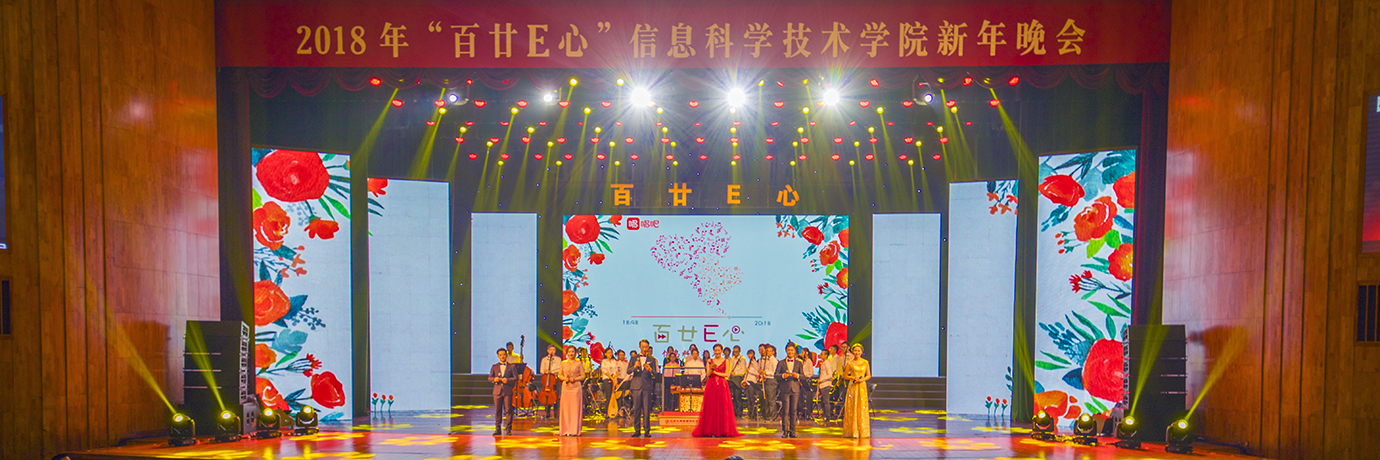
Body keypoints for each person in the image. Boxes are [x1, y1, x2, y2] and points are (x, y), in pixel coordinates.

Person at [692, 344, 741, 437]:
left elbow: (727, 374)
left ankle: (723, 429)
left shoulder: (726, 361)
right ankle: (710, 430)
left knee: (722, 406)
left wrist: (716, 372)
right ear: (713, 351)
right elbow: (708, 374)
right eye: (715, 350)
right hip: (711, 385)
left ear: (722, 351)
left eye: (719, 350)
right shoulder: (709, 361)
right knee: (711, 407)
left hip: (722, 385)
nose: (717, 352)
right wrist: (711, 368)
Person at [629, 339, 659, 437]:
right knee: (637, 409)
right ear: (639, 347)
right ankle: (637, 430)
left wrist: (650, 370)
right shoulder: (634, 358)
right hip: (637, 386)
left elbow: (656, 374)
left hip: (647, 386)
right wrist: (634, 366)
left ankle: (647, 430)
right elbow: (628, 371)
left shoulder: (652, 359)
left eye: (646, 347)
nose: (645, 349)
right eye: (643, 347)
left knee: (646, 409)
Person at [841, 343, 873, 439]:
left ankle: (862, 431)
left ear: (861, 352)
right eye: (855, 350)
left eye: (859, 351)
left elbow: (869, 375)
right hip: (853, 386)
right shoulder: (850, 363)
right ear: (853, 351)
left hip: (861, 386)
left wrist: (861, 380)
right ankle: (852, 430)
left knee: (861, 406)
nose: (857, 352)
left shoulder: (865, 362)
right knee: (852, 406)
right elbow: (845, 376)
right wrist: (853, 378)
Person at [775, 343, 806, 438]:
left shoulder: (799, 363)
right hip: (785, 388)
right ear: (786, 351)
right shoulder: (781, 362)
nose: (790, 352)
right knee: (785, 411)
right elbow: (776, 375)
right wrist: (783, 375)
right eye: (789, 350)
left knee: (794, 411)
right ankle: (785, 431)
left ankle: (793, 431)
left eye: (792, 350)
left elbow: (803, 376)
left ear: (795, 351)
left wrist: (798, 376)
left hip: (795, 389)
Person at [488, 347, 519, 435]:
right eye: (500, 355)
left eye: (504, 355)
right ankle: (497, 429)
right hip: (497, 391)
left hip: (507, 391)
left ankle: (508, 429)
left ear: (506, 355)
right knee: (498, 411)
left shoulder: (511, 366)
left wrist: (507, 380)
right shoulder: (495, 366)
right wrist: (494, 379)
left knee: (509, 410)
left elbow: (516, 378)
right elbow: (489, 377)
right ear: (498, 356)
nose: (502, 356)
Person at [558, 344, 585, 436]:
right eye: (569, 352)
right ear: (567, 353)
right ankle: (565, 429)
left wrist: (575, 379)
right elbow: (560, 375)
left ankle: (574, 430)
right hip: (566, 387)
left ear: (575, 353)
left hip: (576, 387)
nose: (571, 353)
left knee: (575, 408)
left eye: (573, 351)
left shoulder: (578, 363)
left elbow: (583, 375)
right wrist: (565, 379)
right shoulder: (563, 363)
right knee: (566, 408)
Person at [539, 344, 562, 418]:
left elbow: (559, 369)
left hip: (555, 378)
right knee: (547, 395)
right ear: (547, 351)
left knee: (556, 395)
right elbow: (541, 370)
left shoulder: (558, 359)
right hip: (546, 378)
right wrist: (545, 371)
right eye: (550, 350)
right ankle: (547, 413)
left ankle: (556, 413)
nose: (552, 351)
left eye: (554, 350)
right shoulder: (544, 359)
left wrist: (551, 371)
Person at [816, 347, 837, 420]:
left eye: (822, 354)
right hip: (822, 385)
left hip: (826, 385)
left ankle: (827, 416)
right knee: (823, 401)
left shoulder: (827, 363)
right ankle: (824, 415)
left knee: (826, 401)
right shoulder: (823, 363)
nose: (820, 355)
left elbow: (830, 375)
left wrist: (821, 380)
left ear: (826, 355)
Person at [759, 345, 779, 420]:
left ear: (773, 352)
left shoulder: (774, 360)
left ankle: (773, 416)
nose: (767, 352)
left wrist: (766, 372)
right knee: (766, 399)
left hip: (772, 381)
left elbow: (774, 372)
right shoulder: (766, 360)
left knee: (771, 399)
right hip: (766, 380)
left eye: (769, 351)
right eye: (766, 350)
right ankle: (767, 415)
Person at [727, 345, 747, 415]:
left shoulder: (742, 359)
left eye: (736, 352)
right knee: (733, 397)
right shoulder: (732, 359)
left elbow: (743, 370)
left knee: (738, 396)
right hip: (732, 379)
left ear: (739, 351)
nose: (735, 353)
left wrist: (735, 373)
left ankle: (739, 412)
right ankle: (733, 412)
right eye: (734, 352)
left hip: (738, 379)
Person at [743, 349, 761, 419]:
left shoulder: (755, 363)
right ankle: (749, 413)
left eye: (751, 354)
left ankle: (753, 413)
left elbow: (757, 372)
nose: (749, 355)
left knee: (752, 399)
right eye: (748, 354)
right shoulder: (748, 363)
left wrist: (749, 370)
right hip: (747, 382)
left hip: (752, 382)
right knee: (748, 399)